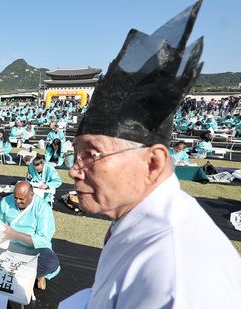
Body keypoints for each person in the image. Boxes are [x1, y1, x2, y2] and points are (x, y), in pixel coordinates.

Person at [61, 3, 241, 307]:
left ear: (153, 163)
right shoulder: (132, 222)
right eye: (75, 154)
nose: (74, 170)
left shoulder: (177, 274)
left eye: (91, 154)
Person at [0, 181, 59, 290]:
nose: (17, 201)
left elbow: (43, 239)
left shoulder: (43, 208)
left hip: (32, 248)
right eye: (15, 198)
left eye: (21, 199)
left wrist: (15, 234)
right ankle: (20, 271)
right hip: (9, 243)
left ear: (31, 195)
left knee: (51, 262)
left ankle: (25, 274)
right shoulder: (6, 201)